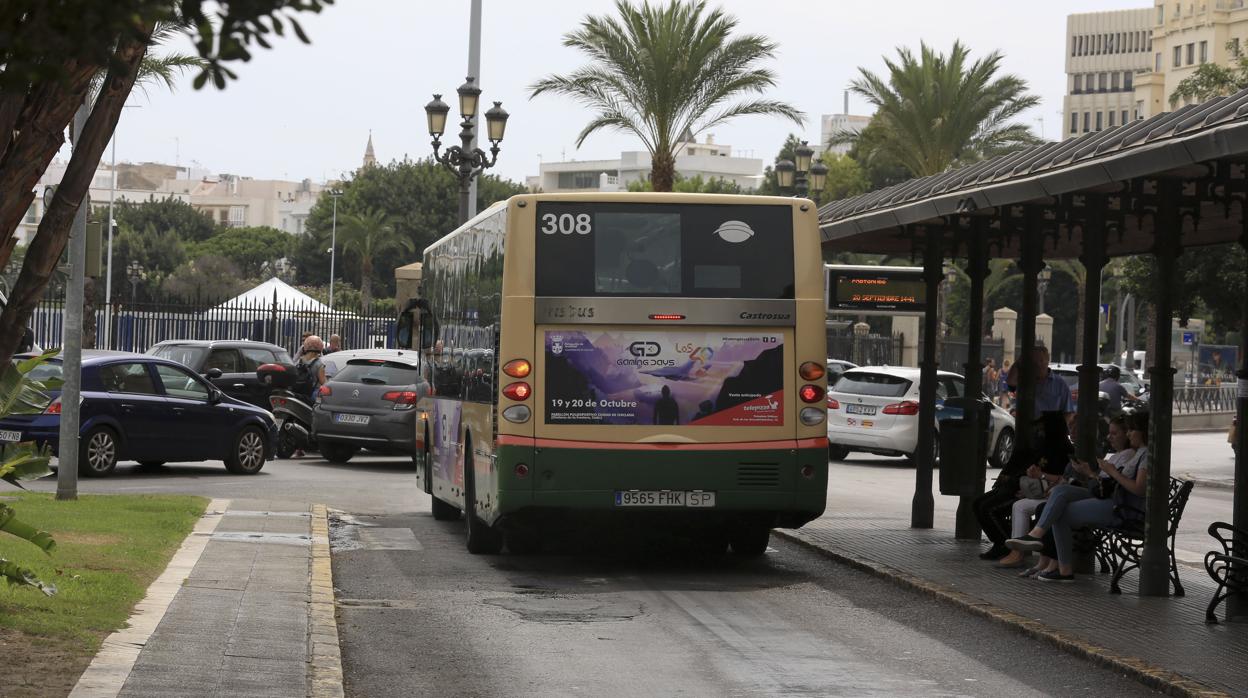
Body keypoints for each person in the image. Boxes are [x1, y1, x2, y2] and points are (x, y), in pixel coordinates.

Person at [1006, 412, 1149, 582]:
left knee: (1061, 512)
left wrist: (1111, 472)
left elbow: (1139, 489)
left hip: (1121, 507)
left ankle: (1063, 569)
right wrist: (1093, 472)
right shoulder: (1139, 453)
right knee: (1061, 492)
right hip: (1111, 498)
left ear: (1144, 432)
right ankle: (1037, 536)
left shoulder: (1145, 455)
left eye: (1132, 430)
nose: (1129, 433)